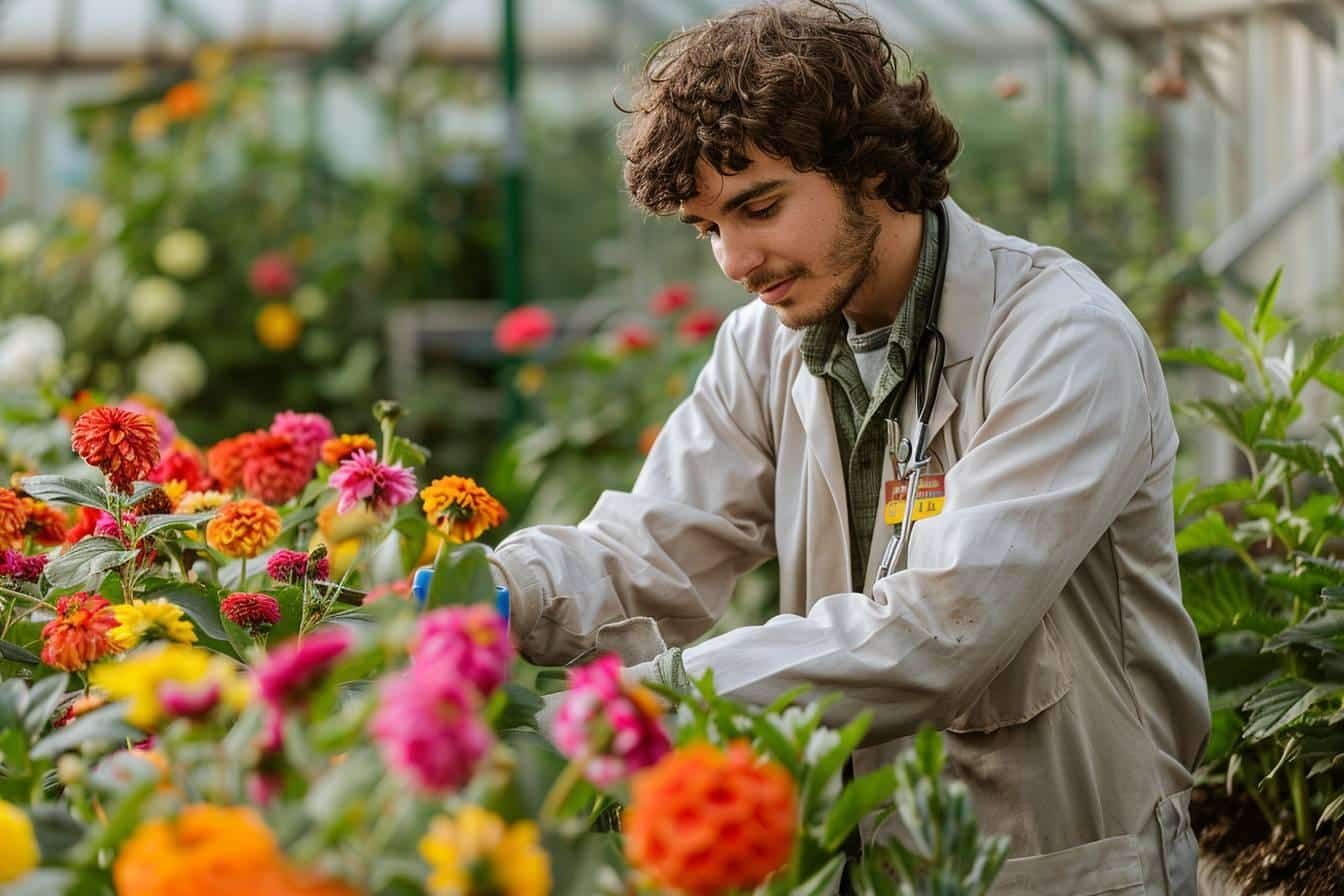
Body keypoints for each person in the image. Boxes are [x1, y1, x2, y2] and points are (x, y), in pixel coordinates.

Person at [488, 2, 1210, 892]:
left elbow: (939, 631)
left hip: (1065, 867)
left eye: (759, 207)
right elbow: (653, 548)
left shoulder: (1060, 340)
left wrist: (639, 701)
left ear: (867, 166)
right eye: (709, 227)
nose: (735, 261)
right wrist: (494, 597)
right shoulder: (767, 343)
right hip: (856, 866)